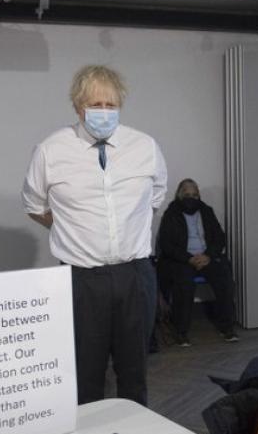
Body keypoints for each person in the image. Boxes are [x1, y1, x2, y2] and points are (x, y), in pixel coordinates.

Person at [22, 65, 167, 406]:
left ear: (121, 105)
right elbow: (34, 205)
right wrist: (74, 230)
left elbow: (155, 199)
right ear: (77, 106)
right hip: (82, 279)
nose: (104, 112)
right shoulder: (51, 150)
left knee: (134, 374)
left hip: (136, 275)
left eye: (111, 105)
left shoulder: (145, 147)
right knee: (85, 376)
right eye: (95, 104)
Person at [157, 179, 238, 347]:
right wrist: (189, 258)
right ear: (179, 195)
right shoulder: (171, 214)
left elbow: (219, 237)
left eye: (194, 195)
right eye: (187, 195)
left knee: (223, 276)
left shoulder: (206, 211)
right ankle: (180, 332)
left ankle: (227, 327)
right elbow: (167, 244)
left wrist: (208, 255)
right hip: (183, 260)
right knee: (184, 283)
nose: (191, 198)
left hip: (206, 257)